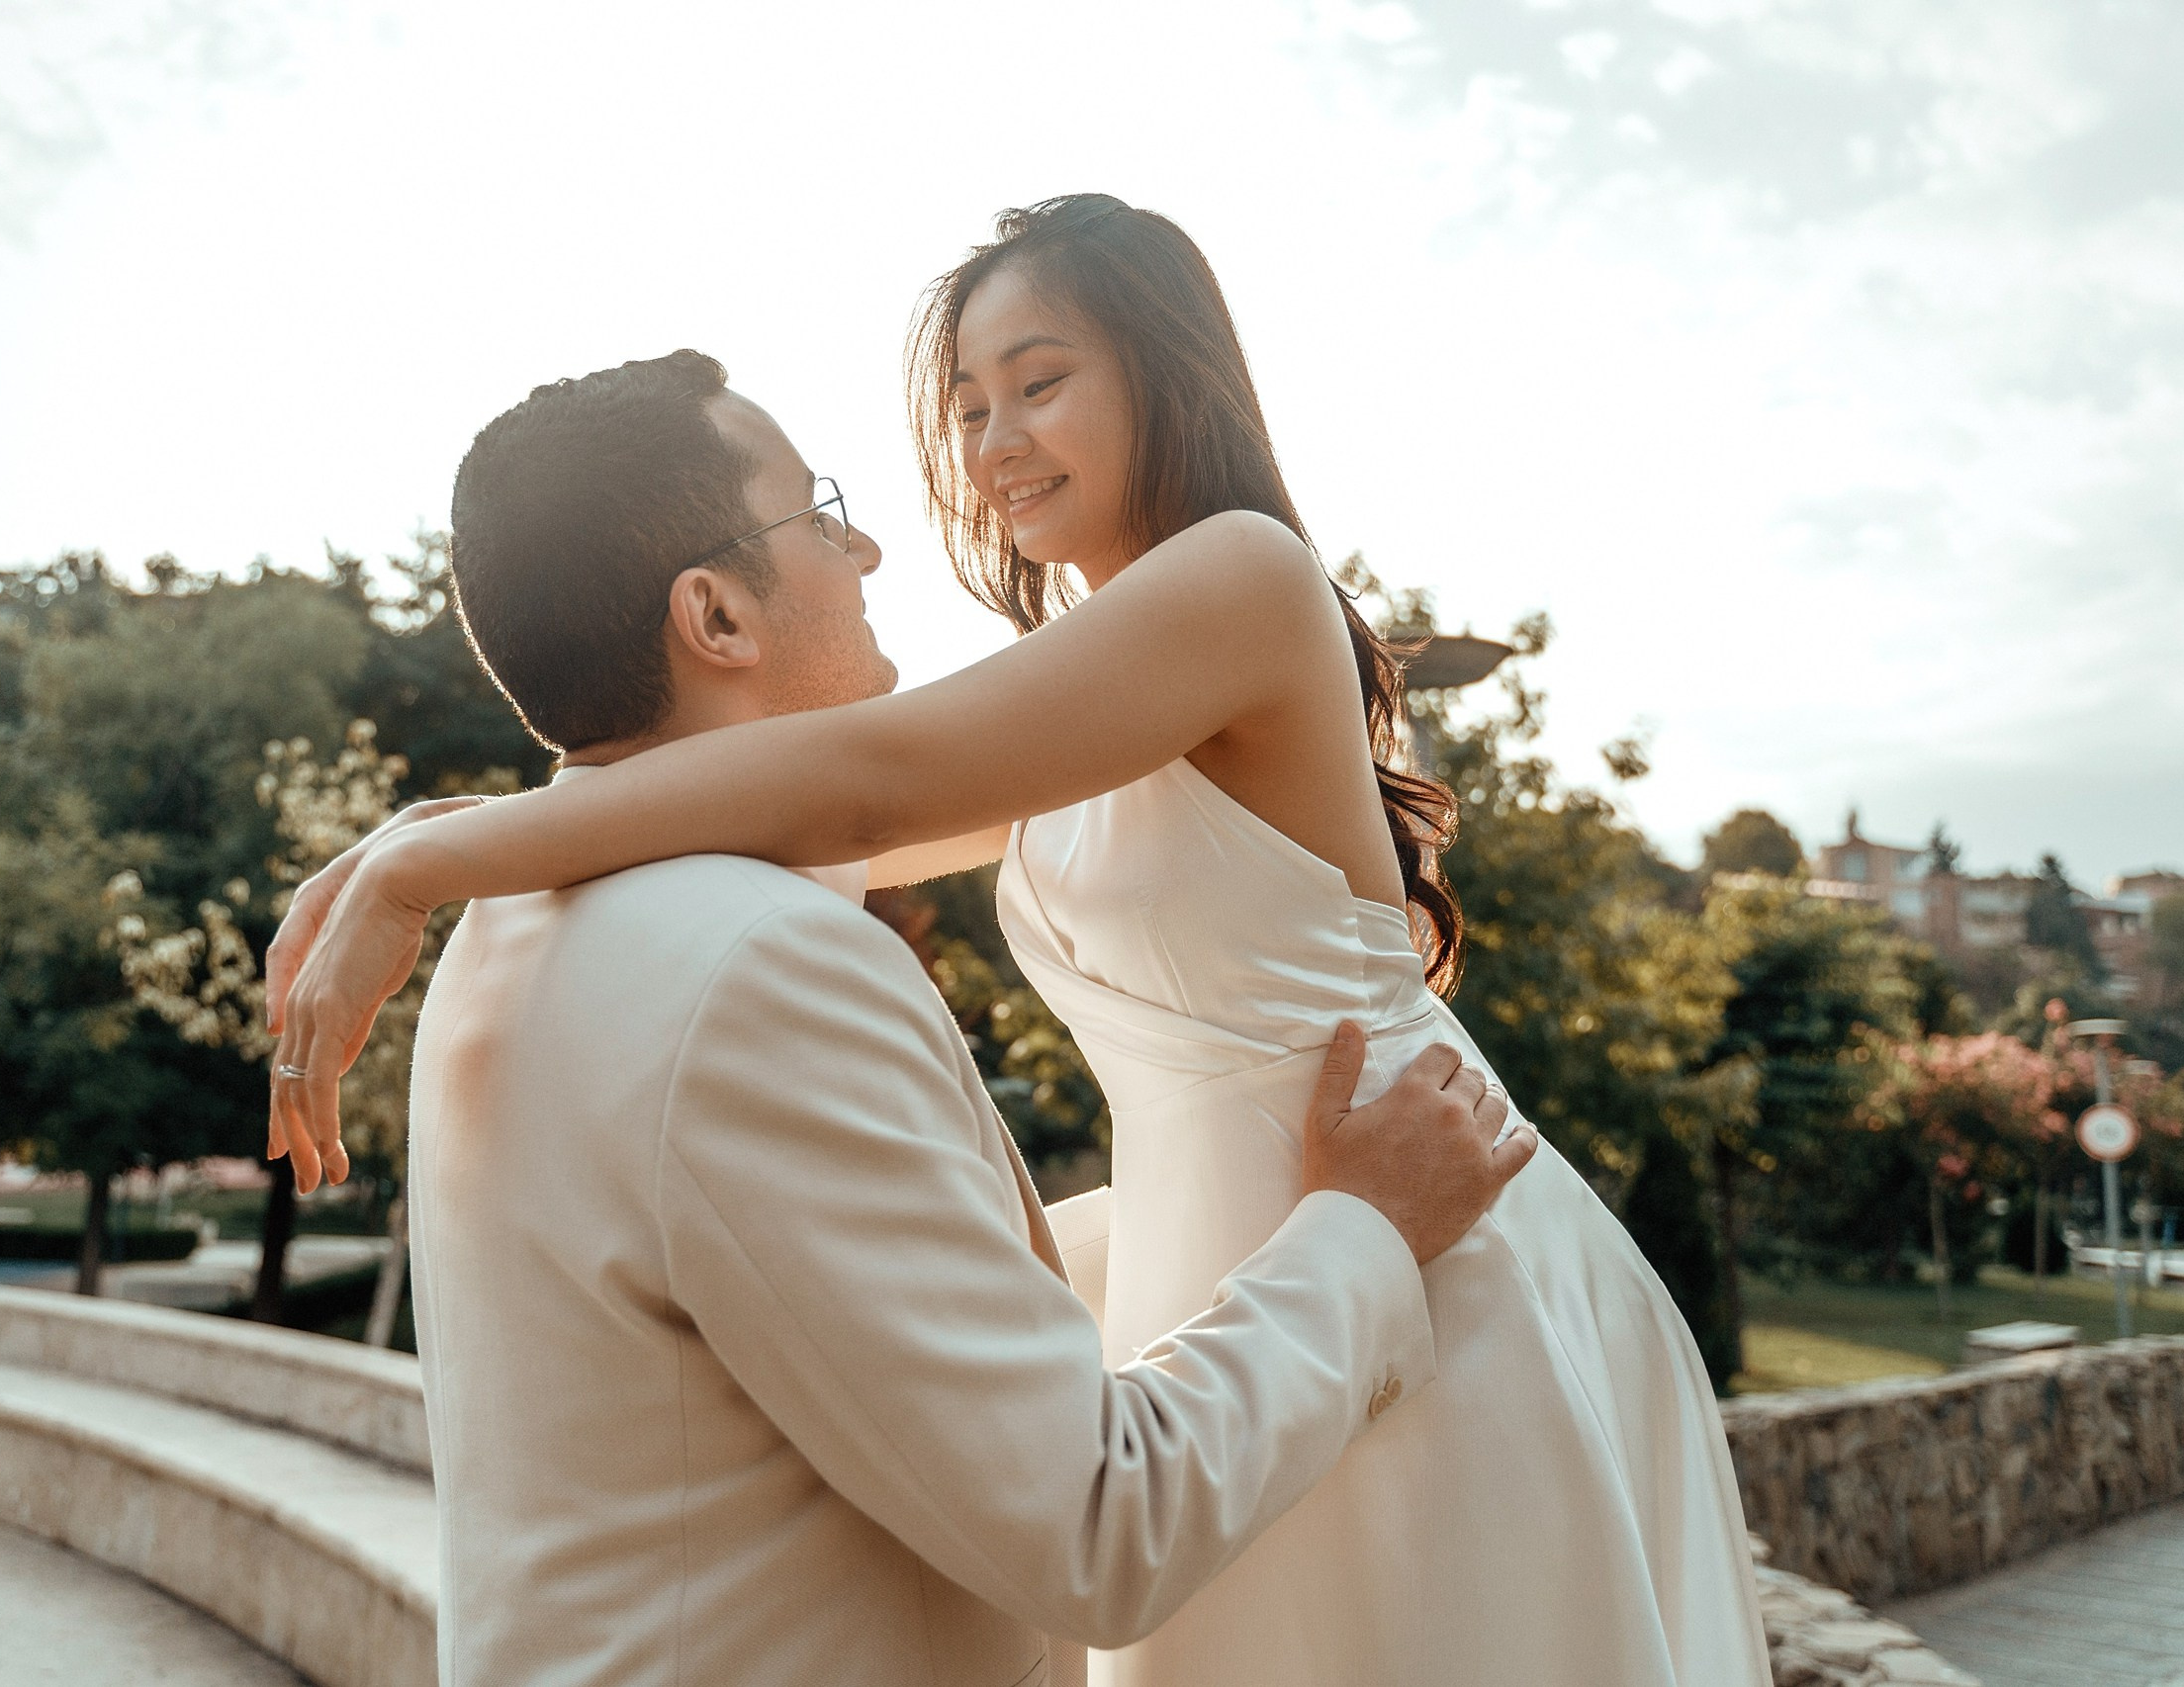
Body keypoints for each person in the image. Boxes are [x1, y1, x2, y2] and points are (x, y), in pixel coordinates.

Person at [269, 197, 1771, 1686]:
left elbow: (863, 780)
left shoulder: (1241, 577)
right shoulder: (1077, 692)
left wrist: (433, 854)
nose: (992, 444)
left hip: (1413, 1223)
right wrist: (446, 832)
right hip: (1270, 1262)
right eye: (969, 404)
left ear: (1169, 372)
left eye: (1039, 382)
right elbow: (801, 814)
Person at [373, 348, 1531, 1686]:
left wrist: (1218, 1198)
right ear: (716, 615)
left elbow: (821, 1300)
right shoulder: (758, 973)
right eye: (815, 512)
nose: (863, 547)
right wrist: (1364, 1232)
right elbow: (1097, 1526)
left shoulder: (510, 922)